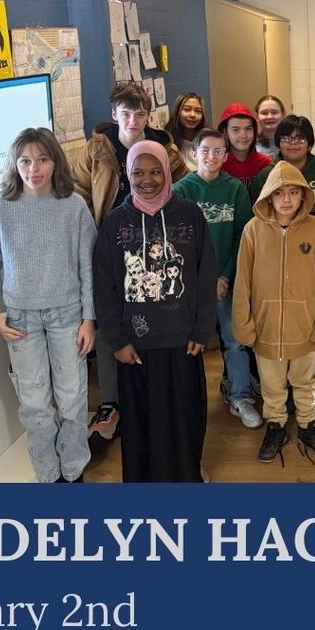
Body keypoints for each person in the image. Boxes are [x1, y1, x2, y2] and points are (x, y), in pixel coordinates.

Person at [0, 127, 97, 484]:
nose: (34, 168)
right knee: (35, 406)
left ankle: (73, 471)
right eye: (25, 160)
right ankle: (49, 475)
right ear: (15, 164)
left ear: (55, 161)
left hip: (68, 316)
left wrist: (89, 318)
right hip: (20, 320)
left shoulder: (73, 205)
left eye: (42, 158)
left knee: (73, 400)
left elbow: (87, 266)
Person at [92, 141, 217, 482]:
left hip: (182, 339)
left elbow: (206, 275)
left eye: (155, 171)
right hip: (136, 344)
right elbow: (104, 286)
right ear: (127, 174)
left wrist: (201, 328)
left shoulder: (190, 214)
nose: (147, 180)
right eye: (138, 172)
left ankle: (186, 476)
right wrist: (116, 340)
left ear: (167, 171)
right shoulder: (115, 223)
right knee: (142, 420)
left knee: (184, 415)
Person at [72, 81, 185, 440]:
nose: (133, 119)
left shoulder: (164, 147)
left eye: (139, 112)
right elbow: (78, 192)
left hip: (155, 246)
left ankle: (151, 394)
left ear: (148, 114)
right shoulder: (96, 151)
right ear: (114, 114)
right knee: (110, 321)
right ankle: (111, 400)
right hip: (111, 244)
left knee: (152, 319)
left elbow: (182, 186)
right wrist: (95, 236)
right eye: (126, 112)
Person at [233, 161, 315, 464]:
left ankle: (308, 425)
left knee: (306, 382)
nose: (286, 199)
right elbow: (242, 282)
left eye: (294, 192)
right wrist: (244, 326)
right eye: (279, 193)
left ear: (304, 195)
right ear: (268, 196)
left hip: (306, 329)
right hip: (265, 329)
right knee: (271, 384)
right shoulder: (252, 231)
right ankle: (276, 424)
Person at [173, 127, 260, 430]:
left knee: (234, 340)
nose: (211, 156)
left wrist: (223, 276)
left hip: (228, 280)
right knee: (188, 342)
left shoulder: (234, 189)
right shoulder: (182, 190)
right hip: (192, 283)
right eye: (205, 151)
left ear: (225, 156)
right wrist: (203, 279)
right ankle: (186, 399)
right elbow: (177, 244)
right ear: (193, 154)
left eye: (218, 151)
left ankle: (240, 395)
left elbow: (243, 236)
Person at [253, 114, 315, 205]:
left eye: (300, 139)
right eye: (286, 138)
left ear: (310, 145)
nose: (293, 143)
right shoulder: (266, 175)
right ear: (278, 143)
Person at [218, 102, 272, 199]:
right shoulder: (217, 164)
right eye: (235, 130)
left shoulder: (266, 164)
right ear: (225, 132)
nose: (243, 135)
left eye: (248, 129)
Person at [168, 92, 207, 174]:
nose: (193, 115)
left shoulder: (209, 140)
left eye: (198, 111)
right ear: (177, 112)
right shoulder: (167, 143)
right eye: (187, 109)